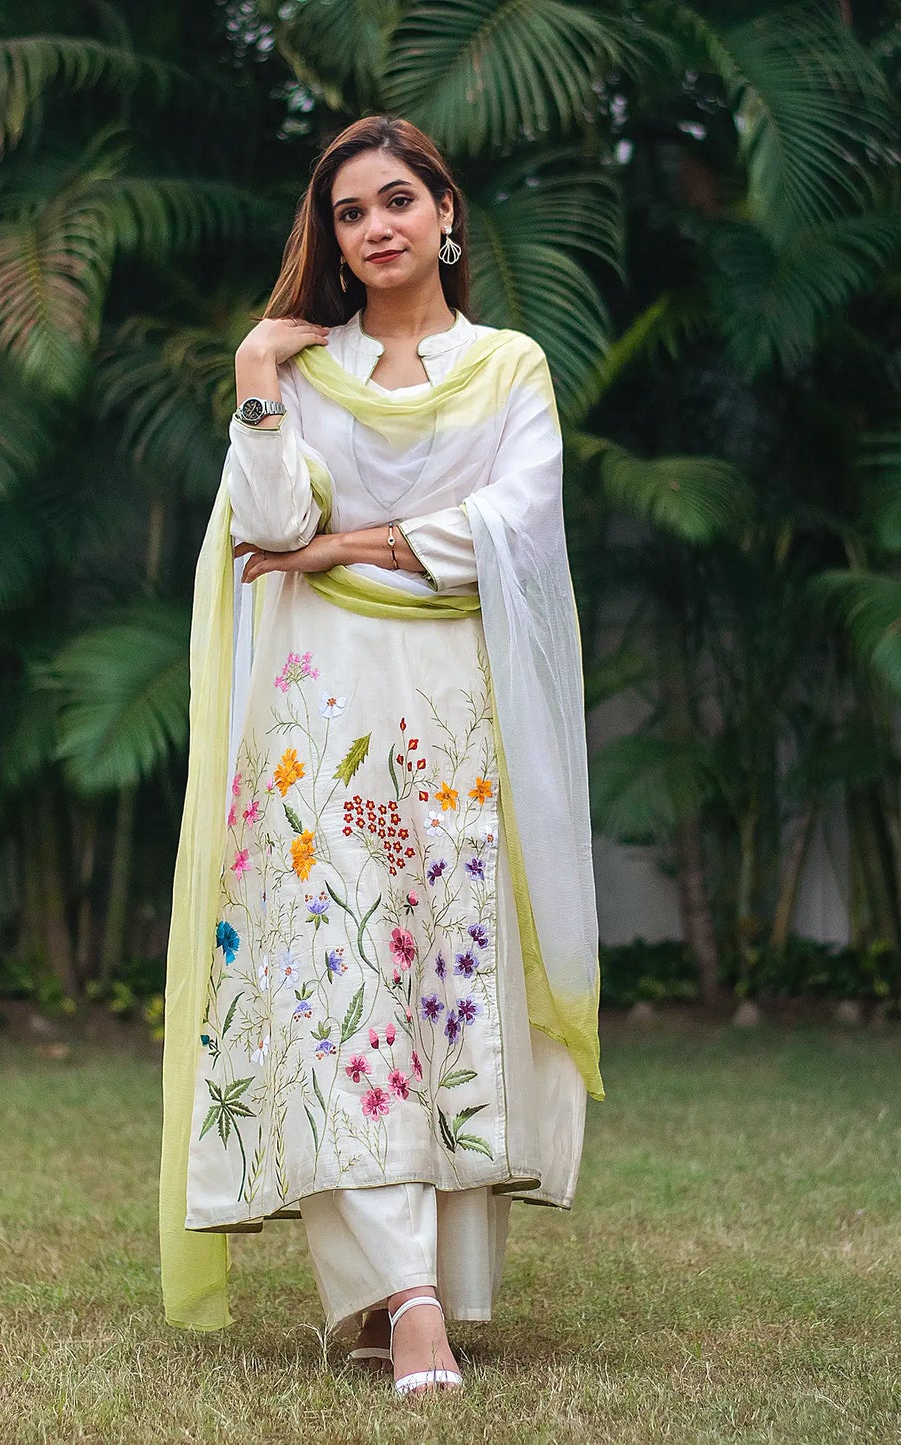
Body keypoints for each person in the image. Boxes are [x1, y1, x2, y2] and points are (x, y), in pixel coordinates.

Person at [159, 114, 603, 1398]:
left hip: (455, 719)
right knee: (337, 978)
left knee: (438, 981)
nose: (376, 226)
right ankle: (410, 1306)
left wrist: (338, 548)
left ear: (445, 211)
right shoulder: (299, 370)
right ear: (334, 240)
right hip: (318, 716)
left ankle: (400, 1284)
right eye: (351, 212)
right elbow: (268, 519)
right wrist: (253, 370)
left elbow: (506, 530)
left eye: (397, 199)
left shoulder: (509, 367)